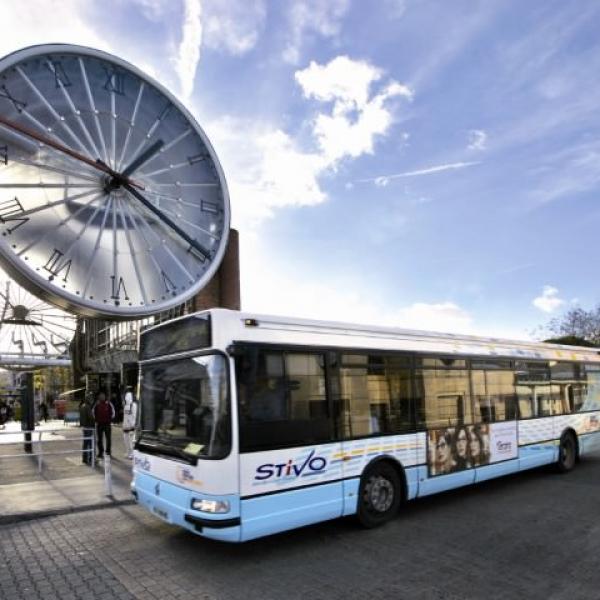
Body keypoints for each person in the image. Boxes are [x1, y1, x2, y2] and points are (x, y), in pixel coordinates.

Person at [93, 391, 115, 460]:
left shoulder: (109, 404)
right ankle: (100, 453)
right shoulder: (96, 404)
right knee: (99, 439)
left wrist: (110, 419)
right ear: (99, 397)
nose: (102, 397)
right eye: (101, 395)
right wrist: (96, 420)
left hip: (107, 424)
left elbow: (113, 412)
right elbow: (93, 412)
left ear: (105, 397)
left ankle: (108, 452)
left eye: (103, 395)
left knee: (108, 439)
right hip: (99, 424)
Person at [122, 386, 137, 459]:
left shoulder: (133, 405)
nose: (126, 398)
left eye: (128, 396)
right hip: (125, 426)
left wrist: (133, 425)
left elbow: (135, 416)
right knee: (126, 441)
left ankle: (132, 454)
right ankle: (128, 452)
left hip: (131, 427)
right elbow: (125, 416)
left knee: (131, 442)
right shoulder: (125, 406)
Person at [79, 397, 95, 465]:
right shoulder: (87, 407)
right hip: (89, 426)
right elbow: (90, 417)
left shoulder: (82, 406)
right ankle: (90, 458)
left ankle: (84, 458)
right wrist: (94, 420)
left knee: (85, 443)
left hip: (84, 426)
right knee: (90, 443)